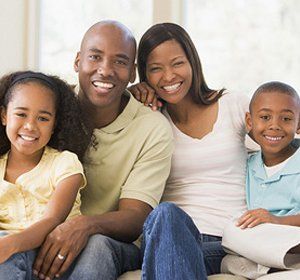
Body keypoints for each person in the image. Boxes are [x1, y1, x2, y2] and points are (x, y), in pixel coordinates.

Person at [32, 21, 174, 280]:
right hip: (45, 228)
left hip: (112, 243)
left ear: (132, 73)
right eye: (95, 57)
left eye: (120, 62)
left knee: (95, 246)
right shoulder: (49, 111)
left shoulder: (152, 128)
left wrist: (83, 226)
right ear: (78, 61)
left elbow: (134, 218)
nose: (105, 70)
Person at [129, 22, 252, 279]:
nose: (169, 76)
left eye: (177, 63)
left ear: (192, 62)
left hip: (234, 245)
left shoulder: (234, 104)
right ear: (144, 75)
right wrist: (127, 97)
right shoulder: (149, 120)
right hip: (173, 238)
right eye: (155, 69)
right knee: (166, 213)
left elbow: (281, 126)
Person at [0, 71, 90, 278]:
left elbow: (53, 220)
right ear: (4, 116)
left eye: (43, 118)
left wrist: (10, 244)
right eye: (21, 114)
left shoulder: (65, 163)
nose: (30, 126)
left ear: (54, 124)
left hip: (54, 257)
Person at [237, 81, 300, 229]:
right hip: (253, 243)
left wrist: (275, 220)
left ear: (298, 124)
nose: (275, 126)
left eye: (286, 119)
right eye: (265, 117)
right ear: (249, 121)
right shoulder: (249, 164)